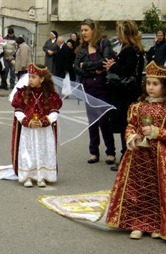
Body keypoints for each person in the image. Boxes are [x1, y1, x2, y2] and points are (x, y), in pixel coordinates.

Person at [106, 61, 166, 240]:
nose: (150, 87)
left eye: (155, 84)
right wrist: (131, 137)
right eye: (148, 83)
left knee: (157, 191)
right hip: (137, 157)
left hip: (159, 157)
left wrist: (157, 132)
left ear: (165, 86)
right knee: (137, 189)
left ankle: (158, 224)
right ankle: (137, 223)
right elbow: (131, 126)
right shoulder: (137, 107)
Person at [11, 64, 62, 188]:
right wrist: (26, 121)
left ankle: (42, 175)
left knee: (43, 151)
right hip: (28, 130)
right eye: (29, 77)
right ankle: (27, 175)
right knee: (27, 151)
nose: (30, 80)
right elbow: (18, 110)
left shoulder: (50, 95)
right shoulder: (23, 93)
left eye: (33, 77)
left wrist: (44, 121)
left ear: (42, 79)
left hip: (44, 131)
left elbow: (54, 112)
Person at [74, 18, 116, 165]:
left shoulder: (104, 43)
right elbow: (76, 68)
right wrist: (92, 72)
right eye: (82, 30)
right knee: (92, 122)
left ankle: (110, 152)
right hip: (88, 88)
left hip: (103, 87)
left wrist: (85, 64)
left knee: (104, 121)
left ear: (94, 30)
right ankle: (94, 152)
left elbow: (105, 61)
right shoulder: (82, 49)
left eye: (86, 30)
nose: (83, 33)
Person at [104, 20, 144, 171]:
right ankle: (126, 156)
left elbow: (127, 70)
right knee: (127, 126)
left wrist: (112, 66)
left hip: (126, 94)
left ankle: (126, 158)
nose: (117, 35)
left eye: (120, 32)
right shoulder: (134, 49)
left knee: (126, 126)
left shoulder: (130, 50)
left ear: (125, 34)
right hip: (129, 92)